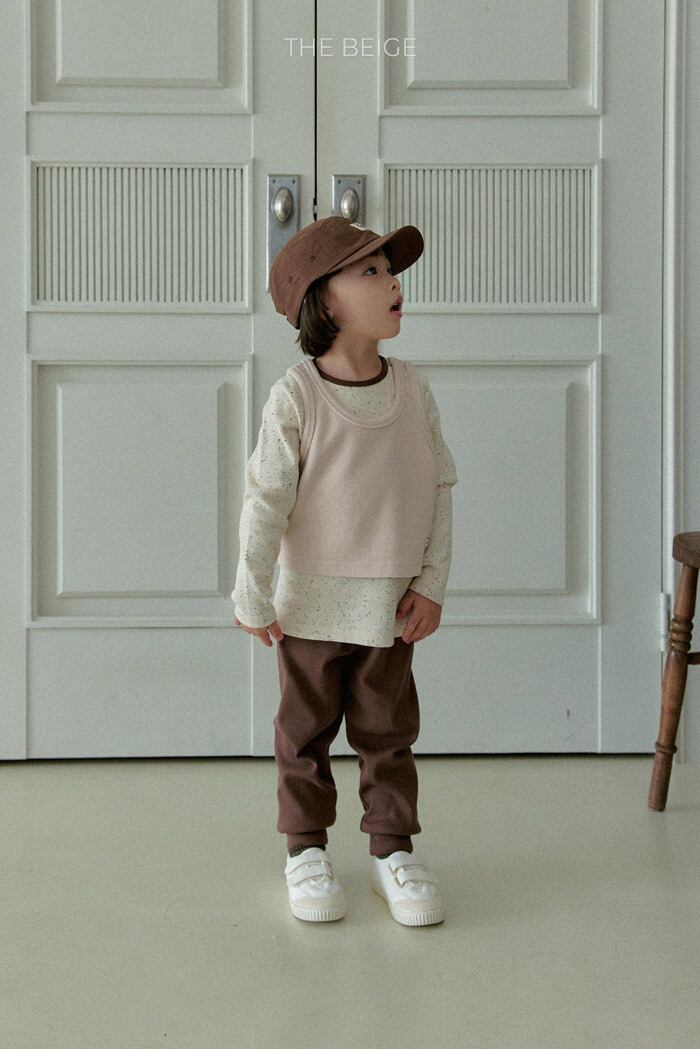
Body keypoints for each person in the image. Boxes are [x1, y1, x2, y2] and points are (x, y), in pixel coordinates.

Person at [231, 215, 458, 926]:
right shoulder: (297, 395)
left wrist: (430, 582)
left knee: (388, 734)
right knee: (304, 735)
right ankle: (305, 849)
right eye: (372, 271)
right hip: (307, 608)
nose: (394, 283)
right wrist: (251, 590)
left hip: (389, 608)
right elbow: (266, 500)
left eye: (392, 270)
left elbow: (438, 487)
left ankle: (393, 851)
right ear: (322, 300)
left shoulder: (412, 388)